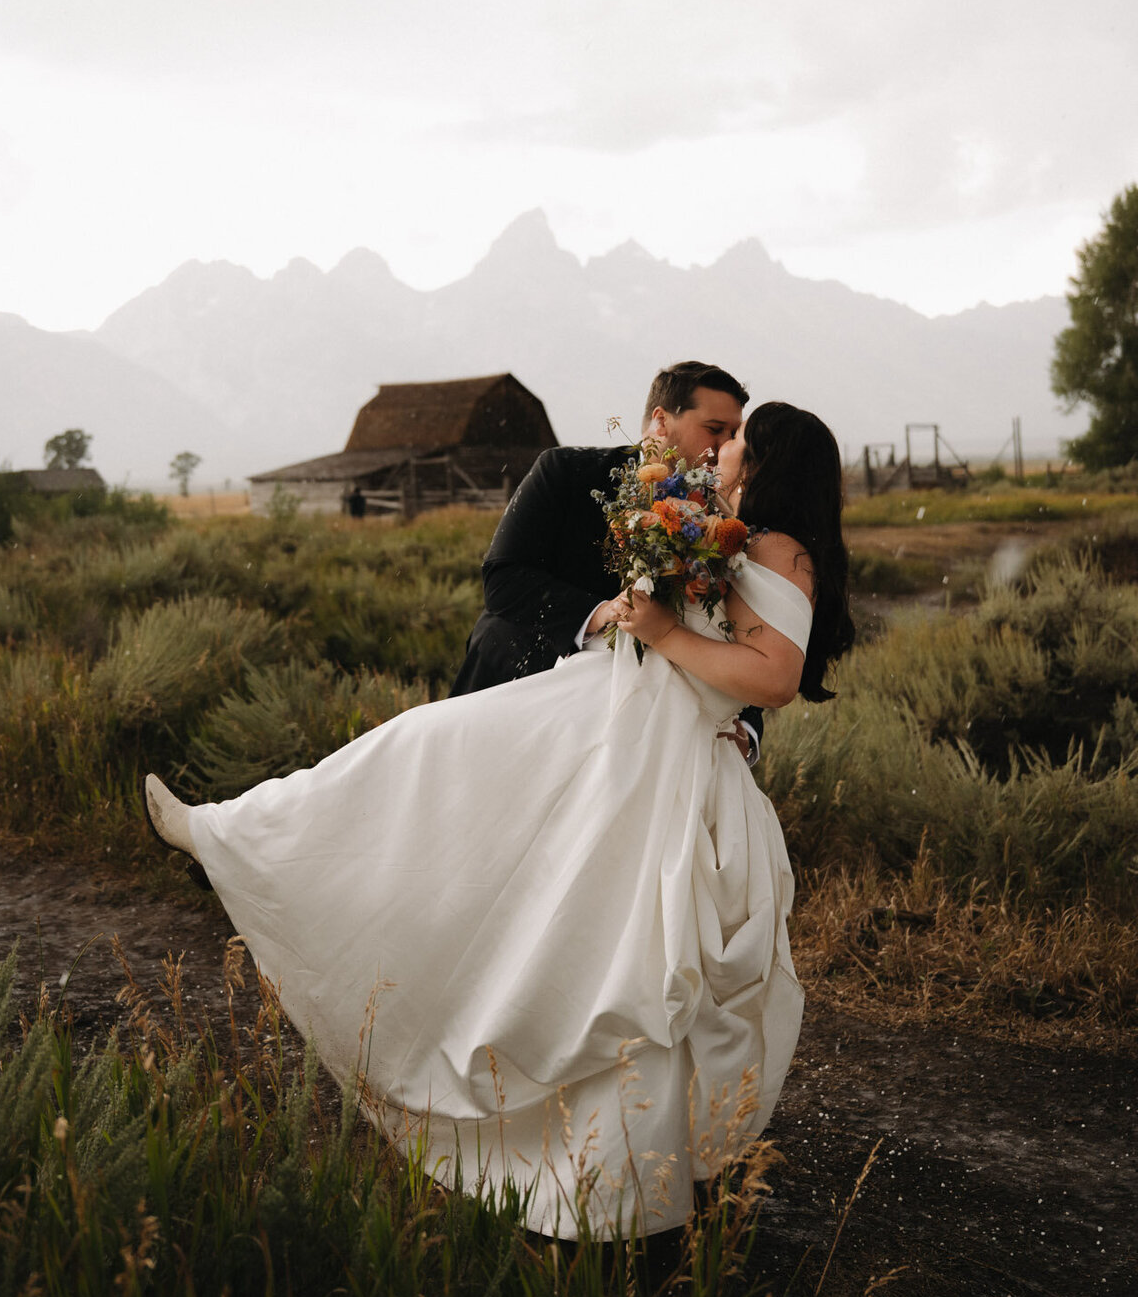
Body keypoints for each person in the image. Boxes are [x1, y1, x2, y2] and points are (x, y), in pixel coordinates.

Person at [144, 401, 854, 1241]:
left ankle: (611, 1187)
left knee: (613, 950)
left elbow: (771, 675)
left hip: (654, 757)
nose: (725, 447)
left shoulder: (775, 548)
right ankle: (240, 831)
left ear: (770, 460)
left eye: (740, 438)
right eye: (723, 430)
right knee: (430, 757)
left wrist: (662, 630)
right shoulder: (737, 532)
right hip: (618, 723)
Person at [450, 362, 763, 762]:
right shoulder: (566, 472)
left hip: (642, 742)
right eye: (715, 429)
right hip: (516, 700)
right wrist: (604, 613)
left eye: (733, 434)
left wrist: (748, 726)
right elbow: (504, 579)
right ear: (661, 421)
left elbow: (738, 627)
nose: (725, 446)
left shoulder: (726, 519)